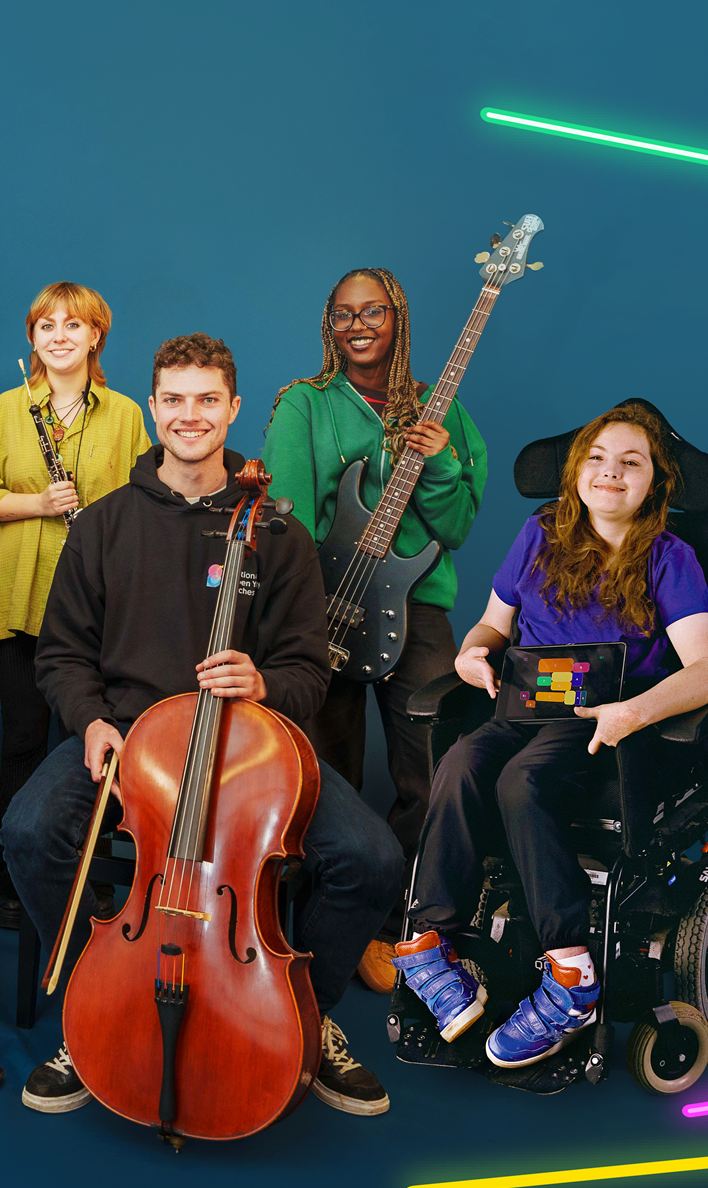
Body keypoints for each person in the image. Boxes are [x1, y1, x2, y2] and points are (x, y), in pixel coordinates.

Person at [1, 332, 406, 1119]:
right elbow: (61, 655)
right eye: (175, 400)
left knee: (370, 856)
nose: (190, 416)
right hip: (128, 744)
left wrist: (262, 681)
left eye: (207, 400)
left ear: (233, 408)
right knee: (28, 828)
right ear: (152, 408)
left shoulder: (278, 532)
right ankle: (100, 1004)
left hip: (246, 755)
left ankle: (304, 1016)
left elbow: (307, 670)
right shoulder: (103, 524)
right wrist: (88, 721)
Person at [393, 400, 708, 1067]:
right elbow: (492, 624)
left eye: (630, 463)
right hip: (520, 703)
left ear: (654, 481)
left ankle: (571, 975)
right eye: (597, 459)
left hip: (603, 716)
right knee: (459, 763)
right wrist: (471, 652)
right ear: (575, 472)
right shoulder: (539, 532)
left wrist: (630, 712)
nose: (610, 473)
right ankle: (429, 945)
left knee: (523, 781)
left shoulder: (670, 556)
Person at [262, 268, 488, 991]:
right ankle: (322, 922)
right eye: (343, 314)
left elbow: (452, 528)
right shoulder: (304, 404)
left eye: (374, 312)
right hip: (324, 601)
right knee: (324, 773)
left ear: (399, 319)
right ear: (328, 325)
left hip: (416, 603)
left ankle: (393, 923)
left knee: (431, 769)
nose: (359, 325)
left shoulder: (443, 410)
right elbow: (288, 516)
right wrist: (309, 608)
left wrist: (440, 460)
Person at [0, 282, 151, 932]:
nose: (60, 335)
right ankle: (10, 883)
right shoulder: (6, 410)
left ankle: (86, 879)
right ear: (32, 338)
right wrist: (41, 504)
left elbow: (140, 501)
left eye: (74, 324)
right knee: (21, 740)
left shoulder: (125, 414)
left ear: (96, 335)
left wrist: (92, 522)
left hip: (96, 609)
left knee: (87, 744)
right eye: (47, 325)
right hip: (17, 602)